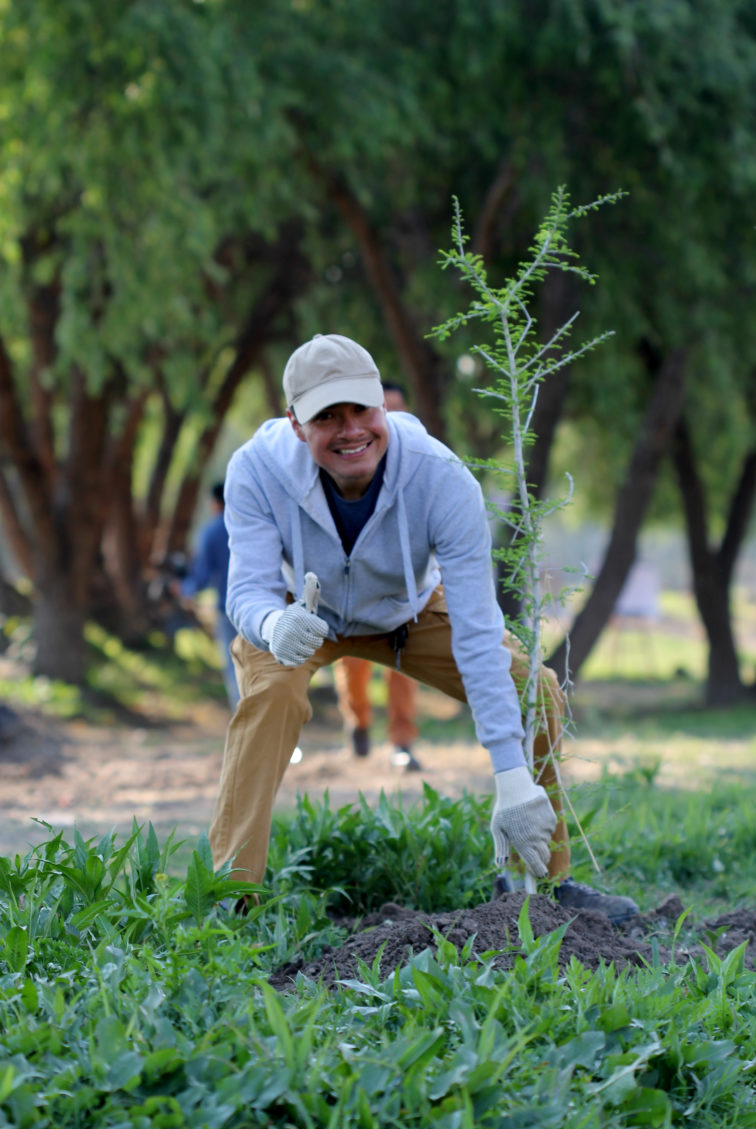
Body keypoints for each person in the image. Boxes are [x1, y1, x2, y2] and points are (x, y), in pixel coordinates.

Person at [211, 333, 638, 923]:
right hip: (298, 615)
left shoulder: (439, 475)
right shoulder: (255, 470)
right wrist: (271, 622)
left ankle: (538, 890)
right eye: (326, 417)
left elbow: (477, 631)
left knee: (531, 689)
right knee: (270, 697)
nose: (350, 429)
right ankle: (228, 902)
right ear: (293, 423)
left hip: (406, 611)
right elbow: (246, 589)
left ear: (383, 406)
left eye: (361, 409)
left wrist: (510, 776)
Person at [333, 380, 422, 772]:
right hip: (351, 592)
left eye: (397, 410)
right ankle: (358, 720)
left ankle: (402, 742)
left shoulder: (418, 463)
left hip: (402, 592)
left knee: (403, 669)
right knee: (352, 666)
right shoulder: (346, 465)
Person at [177, 483, 239, 712]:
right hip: (261, 610)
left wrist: (184, 589)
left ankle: (247, 724)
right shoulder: (252, 526)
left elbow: (200, 577)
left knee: (235, 669)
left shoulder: (212, 532)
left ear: (215, 503)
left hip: (227, 610)